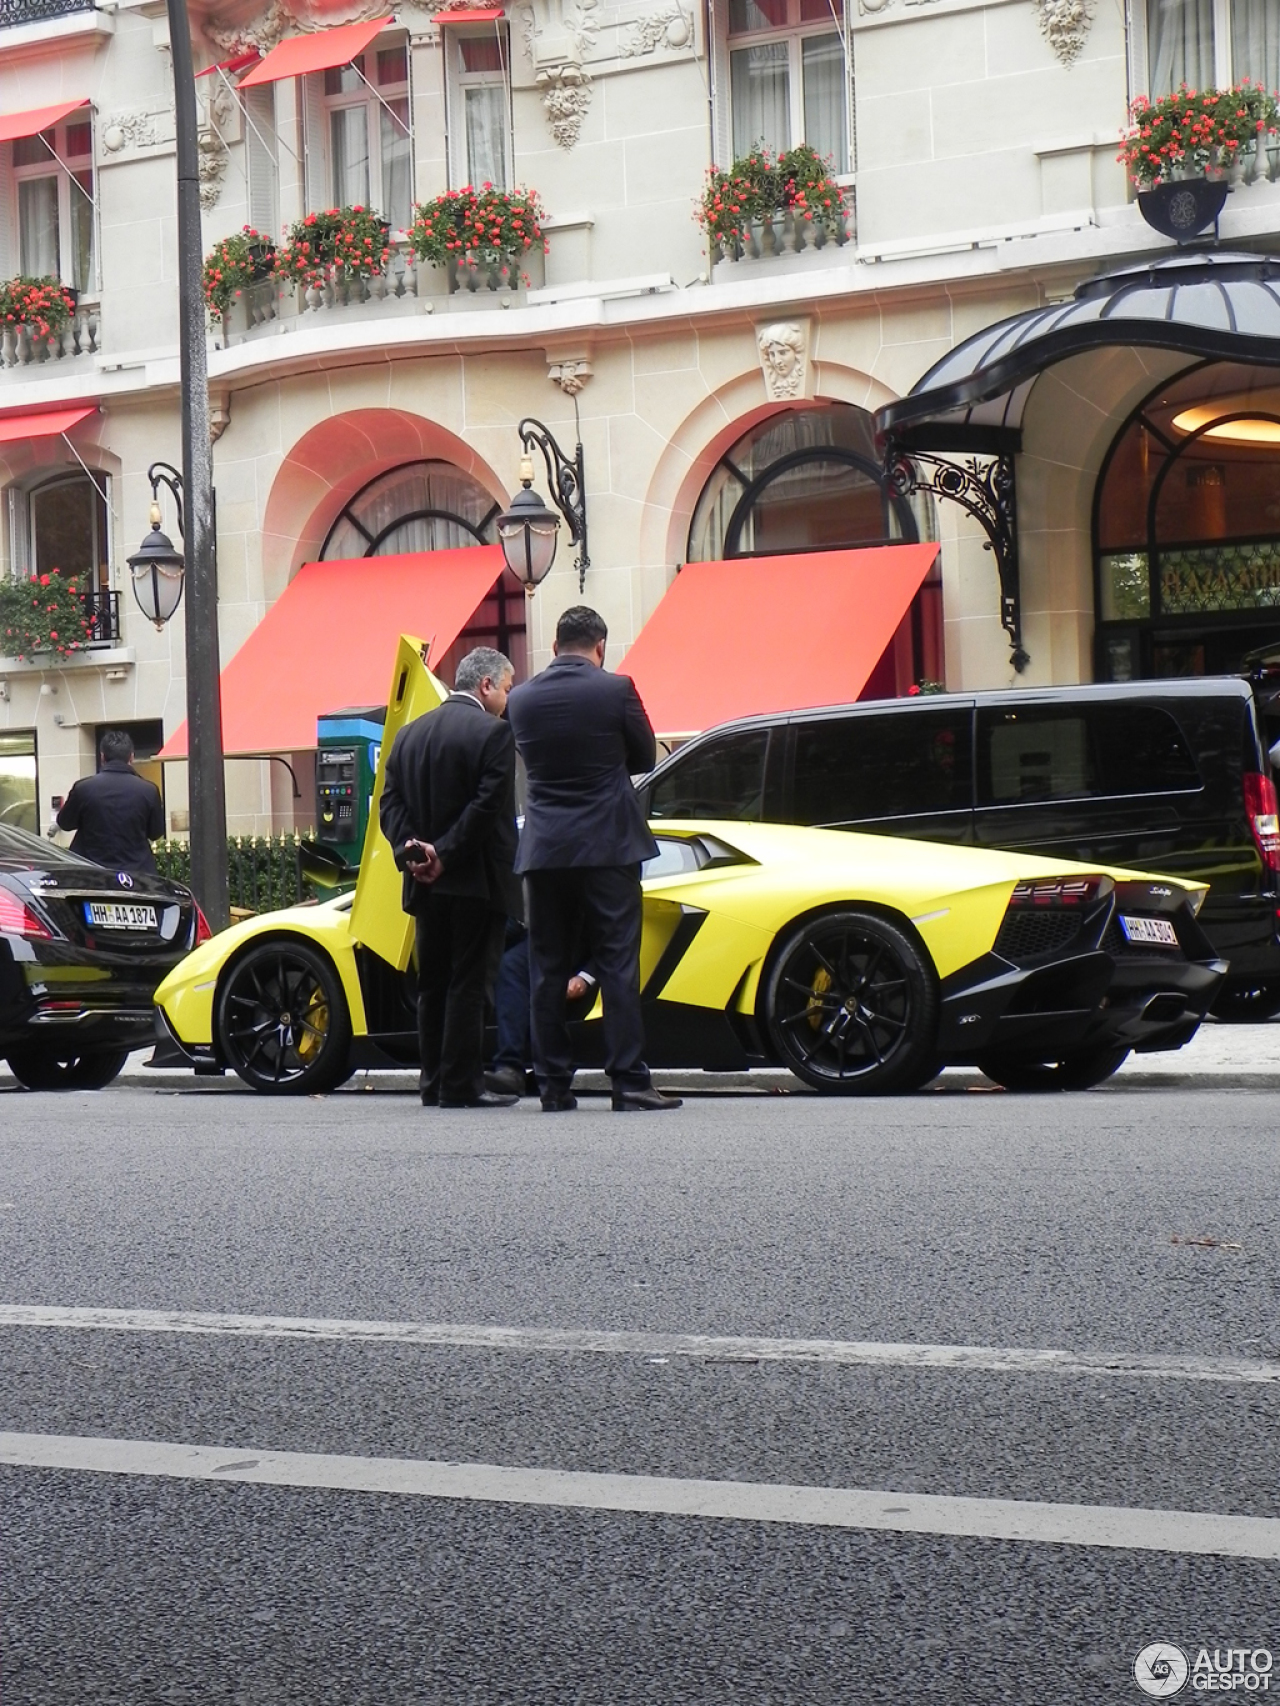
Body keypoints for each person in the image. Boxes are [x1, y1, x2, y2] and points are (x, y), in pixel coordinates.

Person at [506, 605, 681, 1114]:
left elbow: (529, 758)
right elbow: (645, 758)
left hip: (544, 848)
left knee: (547, 966)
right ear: (599, 645)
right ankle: (628, 1082)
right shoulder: (616, 689)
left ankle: (554, 1085)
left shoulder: (520, 699)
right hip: (608, 844)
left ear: (556, 645)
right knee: (618, 962)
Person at [379, 647, 520, 1110]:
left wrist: (413, 852)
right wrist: (446, 853)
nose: (507, 696)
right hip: (475, 881)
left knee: (432, 983)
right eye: (506, 686)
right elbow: (486, 808)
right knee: (470, 982)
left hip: (424, 884)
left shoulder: (409, 735)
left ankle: (433, 1081)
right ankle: (462, 1083)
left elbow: (390, 806)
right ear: (484, 685)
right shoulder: (495, 734)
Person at [55, 730, 165, 875]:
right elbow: (156, 832)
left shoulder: (83, 788)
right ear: (131, 757)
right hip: (137, 875)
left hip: (91, 874)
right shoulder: (148, 790)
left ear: (102, 757)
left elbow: (65, 823)